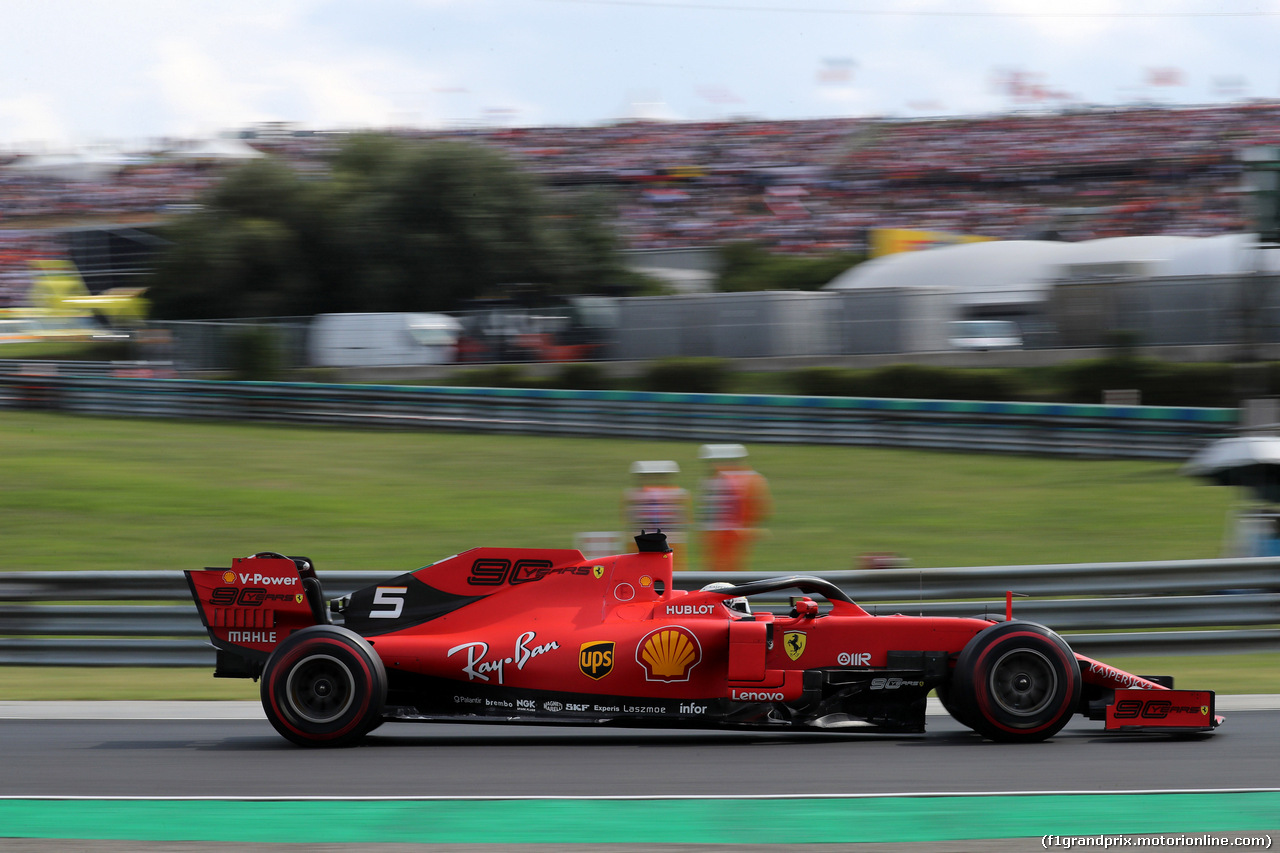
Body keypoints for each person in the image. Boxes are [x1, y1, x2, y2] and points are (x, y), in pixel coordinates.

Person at [697, 444, 771, 573]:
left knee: (728, 566)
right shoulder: (714, 479)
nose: (712, 465)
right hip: (717, 533)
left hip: (732, 532)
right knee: (718, 566)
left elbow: (759, 507)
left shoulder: (749, 478)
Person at [622, 460, 690, 568]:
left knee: (642, 569)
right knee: (670, 568)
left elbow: (627, 518)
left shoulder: (633, 494)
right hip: (669, 539)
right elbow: (685, 518)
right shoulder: (679, 494)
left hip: (643, 539)